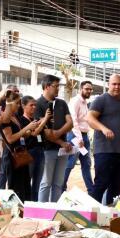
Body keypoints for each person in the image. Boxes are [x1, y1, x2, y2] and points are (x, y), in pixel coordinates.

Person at [88, 74, 120, 205]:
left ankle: (110, 219)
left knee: (116, 188)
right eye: (114, 84)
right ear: (108, 84)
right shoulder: (101, 100)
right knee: (101, 184)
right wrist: (103, 128)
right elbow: (89, 118)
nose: (117, 87)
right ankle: (92, 216)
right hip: (104, 151)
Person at [35, 74, 73, 202]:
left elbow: (70, 122)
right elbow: (45, 132)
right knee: (46, 182)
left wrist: (58, 133)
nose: (58, 89)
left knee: (58, 183)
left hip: (63, 149)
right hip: (47, 149)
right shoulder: (38, 104)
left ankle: (55, 209)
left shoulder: (62, 103)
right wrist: (61, 141)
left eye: (58, 86)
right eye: (56, 86)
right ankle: (43, 211)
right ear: (46, 86)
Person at [0, 92, 39, 201]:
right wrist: (26, 129)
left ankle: (25, 211)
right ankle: (17, 211)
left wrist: (29, 132)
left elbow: (20, 135)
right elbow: (10, 139)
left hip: (21, 153)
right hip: (12, 155)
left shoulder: (14, 116)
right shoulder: (5, 118)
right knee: (16, 187)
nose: (18, 106)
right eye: (16, 103)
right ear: (9, 104)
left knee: (25, 184)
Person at [63, 80, 94, 193]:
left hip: (84, 136)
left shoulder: (85, 103)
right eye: (87, 89)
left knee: (87, 164)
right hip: (75, 136)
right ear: (81, 89)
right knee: (70, 163)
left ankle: (91, 191)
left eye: (90, 89)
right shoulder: (75, 101)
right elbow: (73, 121)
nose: (89, 91)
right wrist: (79, 138)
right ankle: (61, 188)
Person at [21, 95, 51, 201]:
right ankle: (27, 203)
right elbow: (34, 133)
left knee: (38, 181)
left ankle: (34, 203)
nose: (34, 107)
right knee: (27, 181)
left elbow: (40, 131)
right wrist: (45, 120)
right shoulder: (22, 120)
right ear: (23, 106)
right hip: (29, 152)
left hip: (40, 150)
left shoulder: (35, 119)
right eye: (31, 105)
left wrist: (43, 122)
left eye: (35, 105)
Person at [0, 84, 21, 190]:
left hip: (15, 149)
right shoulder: (4, 110)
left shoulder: (15, 114)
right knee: (4, 175)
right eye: (13, 92)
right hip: (6, 148)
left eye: (17, 91)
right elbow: (9, 138)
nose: (15, 93)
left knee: (14, 179)